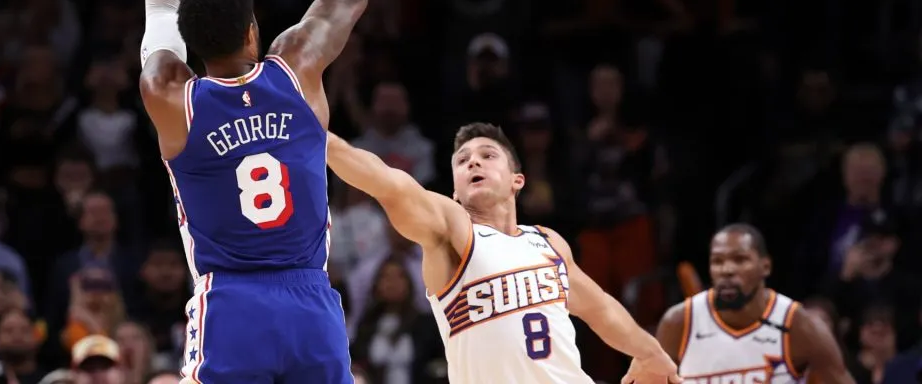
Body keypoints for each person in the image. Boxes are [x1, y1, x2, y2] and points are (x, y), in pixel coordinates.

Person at [138, 0, 367, 384]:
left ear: (192, 45)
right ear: (252, 31)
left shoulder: (172, 95)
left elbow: (161, 4)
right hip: (311, 304)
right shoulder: (297, 70)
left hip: (232, 306)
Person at [327, 123, 679, 383]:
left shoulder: (548, 241)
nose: (473, 163)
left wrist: (650, 353)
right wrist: (318, 139)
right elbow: (389, 184)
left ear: (517, 180)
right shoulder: (453, 232)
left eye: (487, 156)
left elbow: (600, 309)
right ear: (455, 192)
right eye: (462, 160)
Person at [656, 224, 854, 383]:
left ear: (765, 266)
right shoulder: (679, 323)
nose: (727, 270)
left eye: (740, 260)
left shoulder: (798, 325)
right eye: (718, 261)